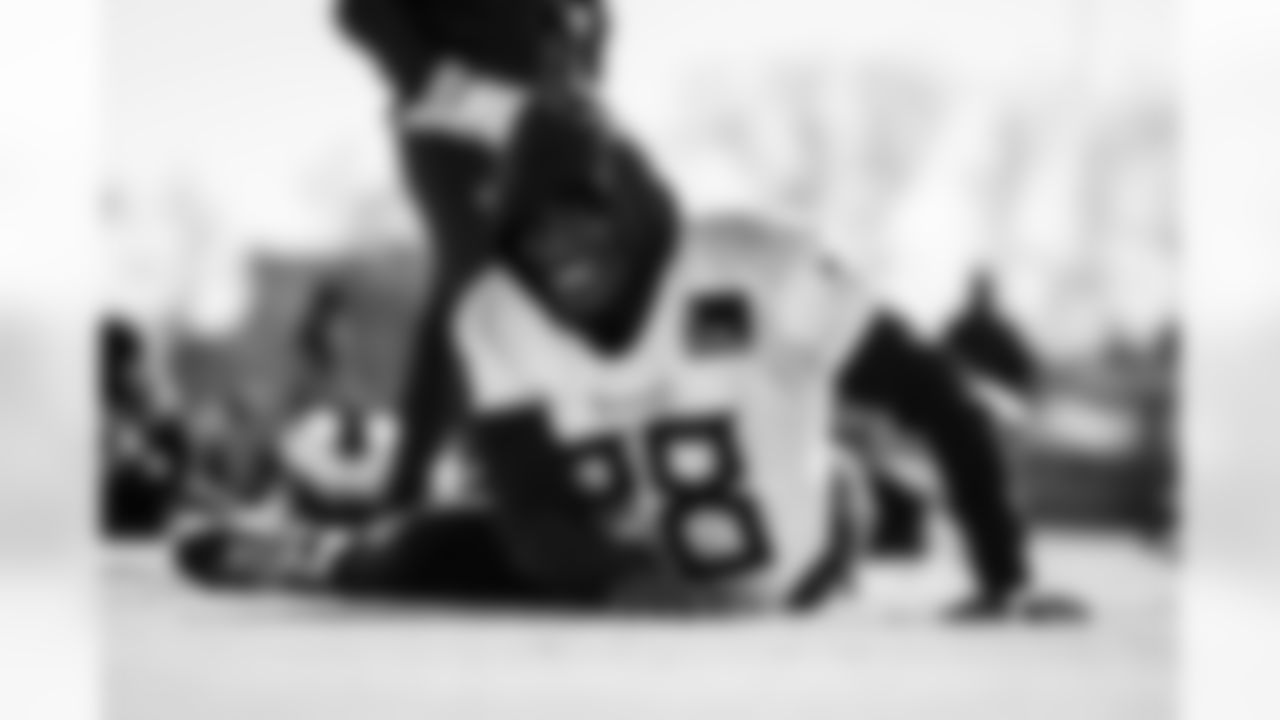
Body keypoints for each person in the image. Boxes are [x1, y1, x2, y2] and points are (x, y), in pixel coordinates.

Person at [176, 111, 1076, 621]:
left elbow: (941, 398)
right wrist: (621, 579)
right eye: (539, 238)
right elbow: (532, 509)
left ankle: (833, 493)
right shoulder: (497, 317)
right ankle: (310, 551)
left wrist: (1006, 575)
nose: (565, 260)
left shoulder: (759, 264)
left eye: (581, 222)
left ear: (635, 208)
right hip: (612, 548)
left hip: (800, 550)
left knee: (854, 501)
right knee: (429, 549)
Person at [336, 0, 612, 517]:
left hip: (547, 119)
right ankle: (488, 470)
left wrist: (584, 68)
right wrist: (432, 80)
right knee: (481, 285)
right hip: (455, 122)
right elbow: (362, 10)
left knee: (544, 289)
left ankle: (414, 485)